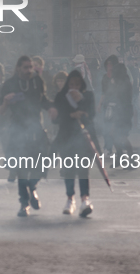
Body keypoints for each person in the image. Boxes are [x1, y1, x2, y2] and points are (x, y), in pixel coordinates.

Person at [0, 56, 57, 217]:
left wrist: (51, 108)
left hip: (36, 128)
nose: (29, 70)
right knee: (21, 169)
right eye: (25, 67)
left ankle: (33, 188)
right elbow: (1, 110)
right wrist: (5, 101)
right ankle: (24, 203)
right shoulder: (10, 84)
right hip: (17, 129)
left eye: (31, 67)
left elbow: (43, 100)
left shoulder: (37, 81)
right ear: (18, 68)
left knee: (41, 163)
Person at [52, 71, 97, 217]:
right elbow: (56, 119)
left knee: (83, 169)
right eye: (71, 84)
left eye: (77, 84)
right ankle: (70, 199)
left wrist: (81, 103)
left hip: (83, 138)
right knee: (69, 169)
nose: (74, 87)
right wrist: (71, 115)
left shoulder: (88, 96)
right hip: (66, 137)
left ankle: (85, 199)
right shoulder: (61, 97)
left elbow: (92, 114)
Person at [107, 63, 135, 162]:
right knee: (114, 134)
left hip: (124, 112)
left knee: (122, 136)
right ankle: (120, 156)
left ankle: (132, 160)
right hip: (120, 111)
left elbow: (121, 98)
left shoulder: (124, 83)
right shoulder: (121, 81)